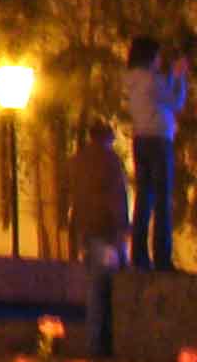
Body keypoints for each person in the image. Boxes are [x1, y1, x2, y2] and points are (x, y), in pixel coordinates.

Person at [124, 35, 189, 271]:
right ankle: (162, 257)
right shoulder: (151, 80)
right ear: (150, 56)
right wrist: (180, 77)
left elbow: (159, 95)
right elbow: (176, 101)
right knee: (162, 199)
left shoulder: (133, 79)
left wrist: (170, 76)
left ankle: (139, 255)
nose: (160, 60)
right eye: (158, 55)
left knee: (144, 198)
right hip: (159, 140)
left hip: (140, 139)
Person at [67, 117, 132, 269]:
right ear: (106, 137)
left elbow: (73, 191)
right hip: (106, 220)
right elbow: (117, 193)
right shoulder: (111, 160)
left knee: (90, 260)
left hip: (84, 220)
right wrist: (122, 222)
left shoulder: (79, 160)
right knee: (113, 264)